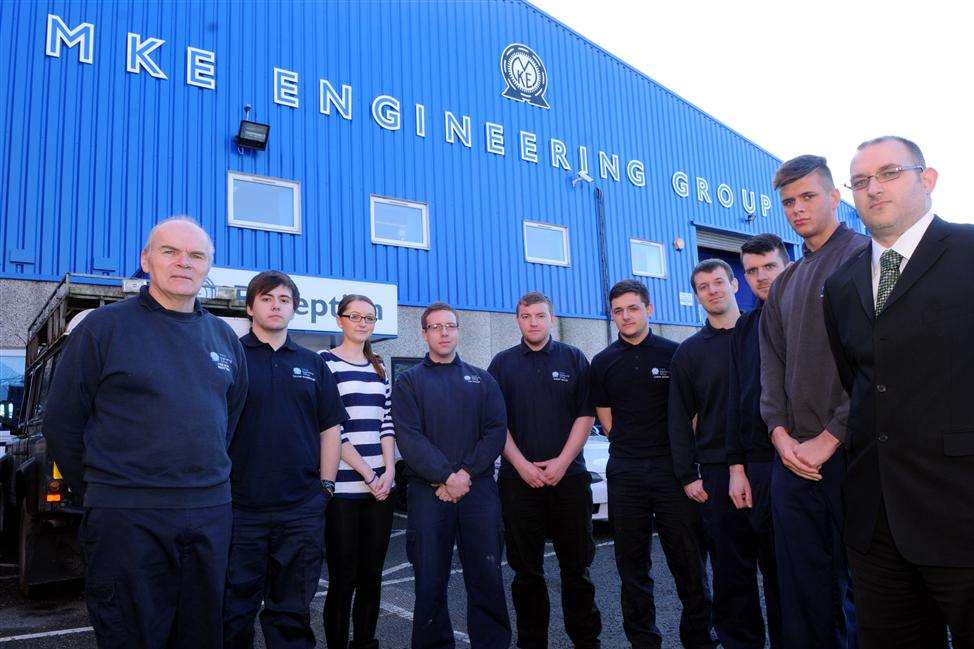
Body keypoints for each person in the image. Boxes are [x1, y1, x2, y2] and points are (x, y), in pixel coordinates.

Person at [42, 216, 249, 648]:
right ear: (146, 259)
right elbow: (62, 421)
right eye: (169, 251)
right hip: (126, 516)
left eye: (196, 255)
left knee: (202, 635)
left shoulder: (224, 338)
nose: (183, 263)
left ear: (209, 266)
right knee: (130, 635)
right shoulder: (103, 328)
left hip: (210, 512)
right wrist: (108, 487)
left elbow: (228, 419)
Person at [823, 136, 974, 648]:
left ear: (927, 180)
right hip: (876, 522)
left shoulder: (969, 251)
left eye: (889, 173)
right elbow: (861, 383)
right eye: (861, 181)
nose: (873, 189)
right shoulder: (842, 285)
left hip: (963, 509)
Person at [760, 155, 868, 648]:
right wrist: (780, 437)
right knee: (803, 590)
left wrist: (832, 436)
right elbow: (772, 371)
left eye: (807, 197)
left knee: (868, 590)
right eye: (788, 202)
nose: (797, 209)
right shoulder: (784, 282)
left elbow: (881, 363)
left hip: (859, 454)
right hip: (793, 459)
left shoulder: (868, 258)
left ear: (834, 197)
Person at [223, 271, 347, 648]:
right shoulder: (231, 359)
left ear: (294, 309)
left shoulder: (312, 363)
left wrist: (326, 487)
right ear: (250, 307)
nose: (276, 305)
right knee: (233, 612)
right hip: (239, 510)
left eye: (284, 299)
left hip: (300, 511)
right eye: (266, 298)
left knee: (291, 613)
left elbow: (330, 428)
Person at [590, 279, 715, 649]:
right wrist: (632, 448)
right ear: (611, 316)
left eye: (633, 308)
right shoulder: (603, 362)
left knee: (689, 561)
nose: (625, 316)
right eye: (618, 311)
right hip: (626, 473)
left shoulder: (676, 355)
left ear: (649, 309)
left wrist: (681, 458)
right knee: (632, 566)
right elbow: (607, 420)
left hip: (672, 472)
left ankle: (699, 639)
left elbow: (693, 415)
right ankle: (644, 641)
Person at [392, 302, 510, 649]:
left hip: (478, 491)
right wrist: (446, 476)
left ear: (458, 330)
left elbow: (495, 430)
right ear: (424, 333)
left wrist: (463, 475)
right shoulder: (409, 382)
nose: (444, 332)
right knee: (430, 579)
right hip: (429, 493)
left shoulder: (482, 379)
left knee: (487, 575)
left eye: (450, 326)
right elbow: (409, 437)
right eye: (435, 327)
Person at [488, 291, 602, 649]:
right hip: (518, 482)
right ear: (517, 320)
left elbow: (586, 415)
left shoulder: (574, 359)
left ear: (551, 318)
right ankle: (532, 642)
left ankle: (587, 641)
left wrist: (562, 462)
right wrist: (521, 465)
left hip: (568, 480)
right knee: (526, 573)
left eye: (539, 316)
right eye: (526, 316)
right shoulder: (502, 364)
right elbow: (495, 423)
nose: (533, 322)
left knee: (576, 570)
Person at [668, 259, 758, 648]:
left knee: (783, 565)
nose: (712, 290)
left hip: (770, 463)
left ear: (735, 285)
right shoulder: (689, 353)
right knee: (730, 572)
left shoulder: (764, 332)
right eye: (703, 286)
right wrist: (689, 475)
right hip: (718, 471)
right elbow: (678, 418)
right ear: (697, 295)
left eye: (719, 282)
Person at [321, 294, 397, 649]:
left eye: (369, 317)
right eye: (355, 316)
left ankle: (365, 642)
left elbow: (386, 423)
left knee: (372, 577)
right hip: (344, 491)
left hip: (380, 490)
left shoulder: (379, 367)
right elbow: (335, 428)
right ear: (340, 321)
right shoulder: (325, 364)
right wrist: (369, 473)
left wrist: (390, 472)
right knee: (342, 579)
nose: (363, 323)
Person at [725, 234, 789, 648]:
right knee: (773, 571)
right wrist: (736, 468)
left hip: (805, 458)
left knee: (818, 573)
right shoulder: (744, 327)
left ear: (786, 264)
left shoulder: (810, 312)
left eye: (769, 266)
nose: (761, 276)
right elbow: (737, 398)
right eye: (752, 270)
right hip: (760, 466)